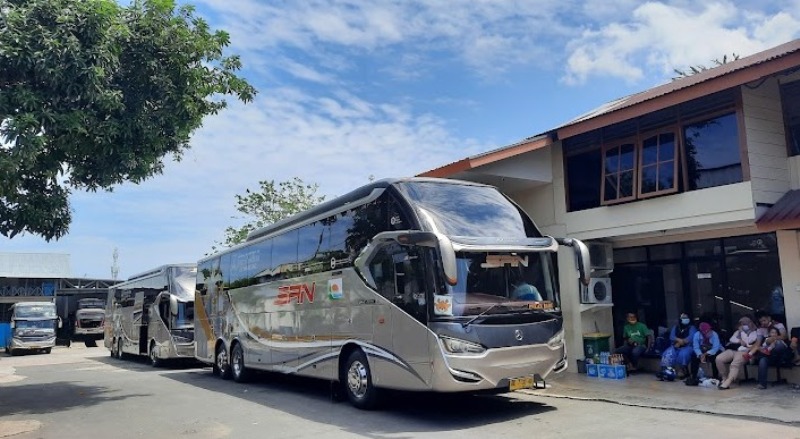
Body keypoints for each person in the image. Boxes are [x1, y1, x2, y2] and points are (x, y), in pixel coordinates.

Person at [715, 316, 760, 390]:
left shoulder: (755, 332)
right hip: (735, 350)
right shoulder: (738, 332)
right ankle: (724, 377)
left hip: (746, 352)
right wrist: (739, 340)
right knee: (719, 359)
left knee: (734, 364)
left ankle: (728, 382)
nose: (743, 325)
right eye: (741, 324)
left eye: (745, 323)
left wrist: (742, 333)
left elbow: (748, 342)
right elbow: (732, 339)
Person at [754, 312, 789, 390]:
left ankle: (766, 353)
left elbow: (784, 336)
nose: (763, 323)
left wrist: (772, 339)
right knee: (763, 361)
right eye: (761, 321)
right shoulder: (760, 329)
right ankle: (762, 384)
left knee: (779, 344)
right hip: (769, 355)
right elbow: (758, 343)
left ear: (769, 318)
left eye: (764, 320)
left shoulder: (779, 325)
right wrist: (756, 349)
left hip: (780, 354)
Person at [658, 312, 696, 380]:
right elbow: (672, 336)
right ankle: (666, 371)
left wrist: (682, 342)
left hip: (688, 346)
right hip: (676, 345)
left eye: (686, 318)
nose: (685, 319)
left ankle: (683, 371)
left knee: (683, 354)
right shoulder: (676, 327)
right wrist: (679, 340)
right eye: (683, 318)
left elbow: (691, 337)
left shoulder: (692, 327)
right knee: (667, 353)